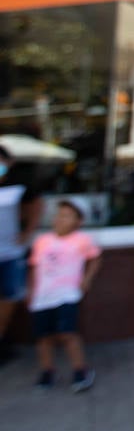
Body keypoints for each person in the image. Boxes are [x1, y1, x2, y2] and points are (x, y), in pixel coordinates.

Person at [28, 199, 101, 392]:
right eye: (59, 214)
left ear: (78, 222)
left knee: (68, 334)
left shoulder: (82, 240)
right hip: (43, 296)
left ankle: (80, 370)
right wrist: (31, 291)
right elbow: (34, 267)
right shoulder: (42, 241)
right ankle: (47, 371)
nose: (60, 219)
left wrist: (87, 279)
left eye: (67, 216)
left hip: (67, 294)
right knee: (43, 337)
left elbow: (95, 259)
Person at [0, 143, 40, 365]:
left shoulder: (18, 186)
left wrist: (28, 231)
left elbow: (36, 205)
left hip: (10, 255)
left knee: (8, 299)